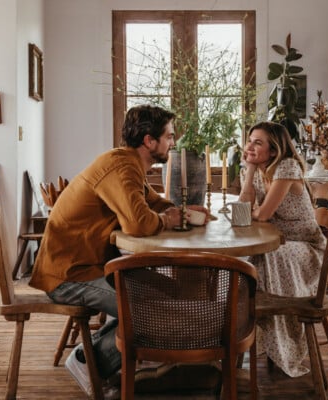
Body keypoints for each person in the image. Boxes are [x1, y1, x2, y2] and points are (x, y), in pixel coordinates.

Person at [29, 104, 208, 396]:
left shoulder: (128, 165)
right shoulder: (121, 166)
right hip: (70, 274)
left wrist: (180, 211)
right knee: (150, 311)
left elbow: (151, 202)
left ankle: (122, 355)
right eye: (169, 136)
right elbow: (139, 223)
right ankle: (89, 363)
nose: (173, 142)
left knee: (169, 291)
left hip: (94, 267)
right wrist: (167, 219)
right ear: (149, 141)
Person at [238, 121, 326, 377]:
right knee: (253, 258)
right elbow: (244, 213)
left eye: (258, 142)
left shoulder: (286, 166)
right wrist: (251, 169)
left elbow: (262, 215)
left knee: (263, 257)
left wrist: (255, 212)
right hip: (281, 244)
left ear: (274, 150)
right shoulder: (261, 170)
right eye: (250, 140)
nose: (250, 146)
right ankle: (252, 325)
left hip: (306, 249)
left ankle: (272, 331)